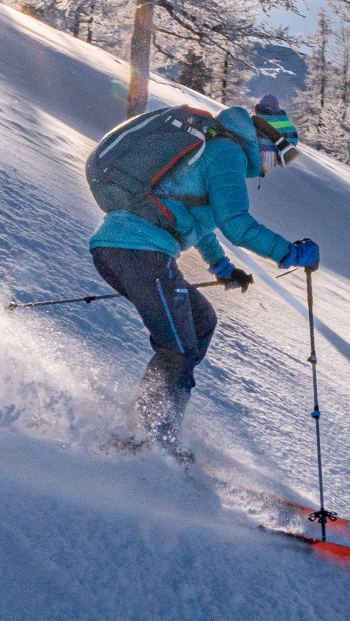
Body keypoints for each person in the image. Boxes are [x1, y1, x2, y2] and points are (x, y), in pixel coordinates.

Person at [89, 95, 320, 454]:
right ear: (264, 141)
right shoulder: (226, 152)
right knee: (178, 348)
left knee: (199, 321)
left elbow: (202, 223)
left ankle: (156, 427)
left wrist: (222, 267)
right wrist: (289, 252)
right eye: (282, 155)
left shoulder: (218, 151)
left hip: (129, 250)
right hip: (136, 250)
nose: (275, 167)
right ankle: (148, 437)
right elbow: (237, 225)